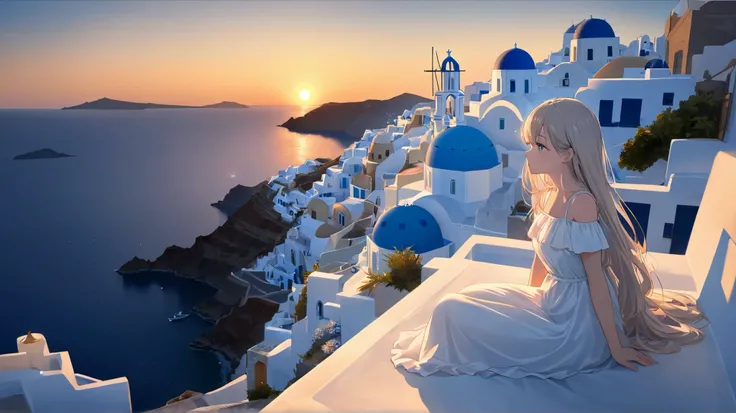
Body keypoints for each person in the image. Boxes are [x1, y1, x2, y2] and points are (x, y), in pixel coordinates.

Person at [391, 98, 706, 379]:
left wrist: (616, 345)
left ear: (568, 153)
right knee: (454, 304)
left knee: (451, 313)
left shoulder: (581, 203)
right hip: (550, 301)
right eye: (531, 143)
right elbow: (540, 258)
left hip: (572, 325)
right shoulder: (552, 195)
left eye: (539, 146)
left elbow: (597, 281)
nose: (529, 153)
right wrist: (525, 302)